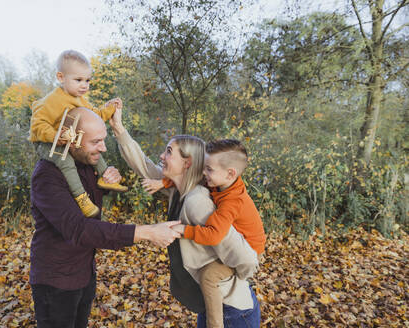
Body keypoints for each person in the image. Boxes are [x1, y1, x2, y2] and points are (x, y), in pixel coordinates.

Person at [29, 107, 181, 328]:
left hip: (84, 271)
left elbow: (89, 198)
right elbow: (79, 229)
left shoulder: (87, 164)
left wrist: (109, 182)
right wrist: (146, 232)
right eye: (96, 142)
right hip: (56, 281)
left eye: (103, 140)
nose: (103, 147)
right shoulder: (48, 174)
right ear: (72, 140)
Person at [109, 108, 261, 327]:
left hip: (231, 311)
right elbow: (144, 166)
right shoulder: (177, 191)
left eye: (169, 151)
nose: (162, 156)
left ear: (187, 163)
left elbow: (246, 258)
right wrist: (118, 129)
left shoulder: (197, 202)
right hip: (210, 306)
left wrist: (237, 280)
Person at [143, 139, 266, 328]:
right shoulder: (220, 183)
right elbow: (189, 178)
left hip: (250, 256)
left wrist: (185, 230)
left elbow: (215, 235)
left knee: (209, 276)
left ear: (230, 173)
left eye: (208, 169)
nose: (203, 173)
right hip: (225, 305)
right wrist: (163, 182)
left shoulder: (231, 202)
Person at [29, 49, 127, 218]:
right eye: (79, 80)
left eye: (88, 80)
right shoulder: (50, 101)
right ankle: (81, 198)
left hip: (68, 138)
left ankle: (105, 177)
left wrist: (110, 107)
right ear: (61, 77)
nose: (85, 85)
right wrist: (55, 136)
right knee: (64, 159)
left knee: (94, 146)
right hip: (45, 143)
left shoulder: (80, 99)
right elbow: (37, 126)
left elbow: (95, 115)